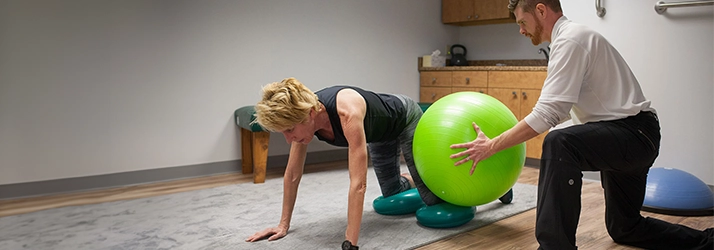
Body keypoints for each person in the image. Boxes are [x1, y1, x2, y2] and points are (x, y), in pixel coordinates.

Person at [449, 1, 714, 249]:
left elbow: (548, 113)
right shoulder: (572, 39)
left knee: (559, 143)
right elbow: (562, 111)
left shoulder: (570, 40)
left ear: (541, 10)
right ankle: (707, 240)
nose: (520, 30)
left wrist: (491, 146)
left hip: (632, 134)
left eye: (522, 22)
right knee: (625, 228)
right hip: (634, 135)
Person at [244, 77, 443, 249]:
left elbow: (358, 184)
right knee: (392, 193)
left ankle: (427, 175)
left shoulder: (347, 112)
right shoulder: (303, 115)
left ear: (311, 115)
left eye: (289, 130)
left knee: (432, 200)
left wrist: (350, 244)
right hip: (378, 134)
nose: (289, 139)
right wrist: (283, 225)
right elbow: (293, 173)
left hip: (403, 117)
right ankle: (411, 178)